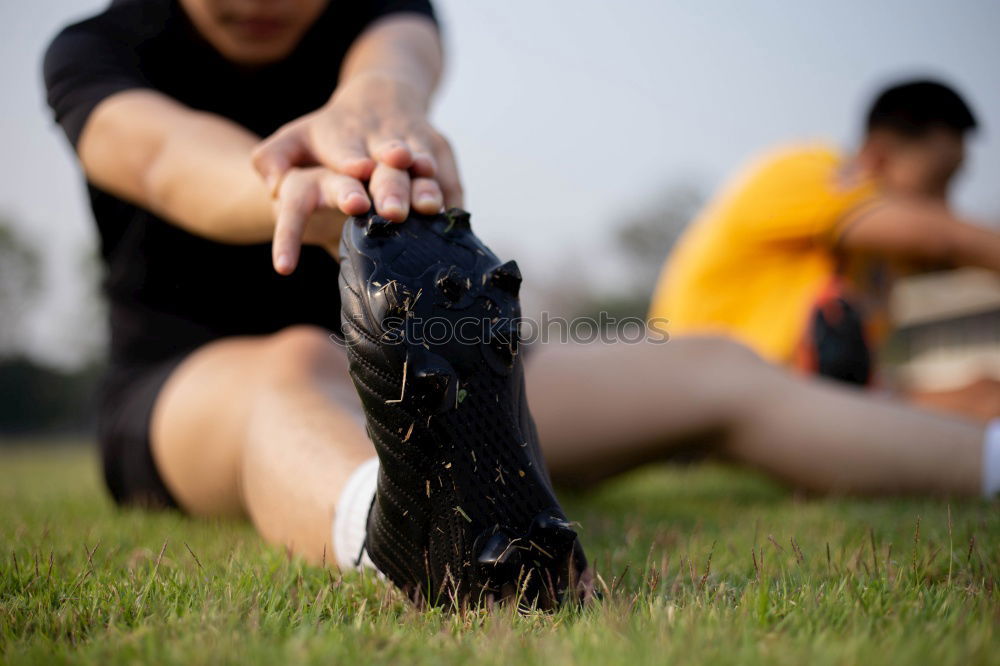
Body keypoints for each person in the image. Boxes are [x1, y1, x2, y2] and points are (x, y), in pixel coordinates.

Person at [45, 0, 999, 605]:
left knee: (714, 362)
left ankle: (990, 460)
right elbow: (168, 161)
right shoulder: (97, 49)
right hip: (196, 386)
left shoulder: (385, 13)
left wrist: (374, 114)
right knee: (295, 364)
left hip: (438, 366)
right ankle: (417, 536)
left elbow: (392, 67)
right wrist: (302, 181)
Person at [648, 80, 1000, 402]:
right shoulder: (806, 173)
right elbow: (950, 240)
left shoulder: (878, 260)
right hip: (702, 400)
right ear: (878, 157)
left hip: (787, 405)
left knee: (979, 397)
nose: (945, 206)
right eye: (938, 181)